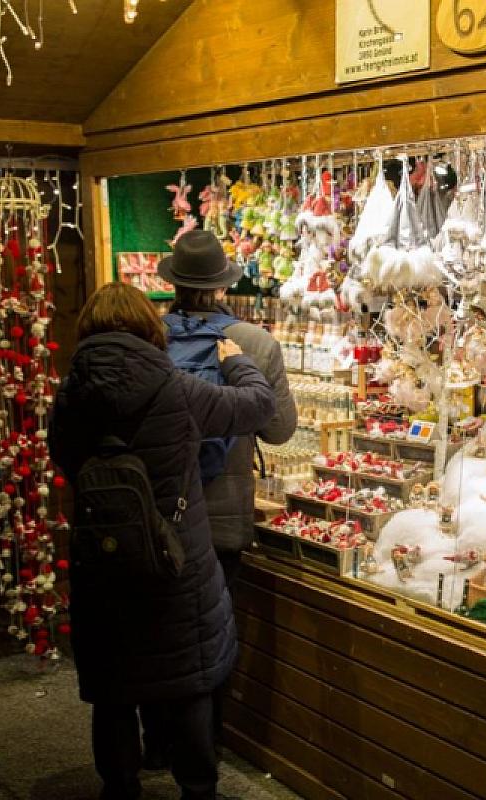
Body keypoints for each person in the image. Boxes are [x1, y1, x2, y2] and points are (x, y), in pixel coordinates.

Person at [50, 282, 274, 800]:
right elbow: (257, 407)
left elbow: (65, 461)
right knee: (188, 679)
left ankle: (121, 787)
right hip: (177, 558)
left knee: (112, 688)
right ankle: (197, 788)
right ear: (149, 330)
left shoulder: (68, 395)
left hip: (101, 560)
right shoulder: (175, 387)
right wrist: (236, 361)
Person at [151, 230, 298, 767]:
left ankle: (156, 743)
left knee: (156, 624)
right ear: (221, 284)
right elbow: (280, 430)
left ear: (172, 281)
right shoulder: (255, 343)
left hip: (158, 511)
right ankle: (206, 745)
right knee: (213, 630)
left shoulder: (146, 338)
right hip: (223, 514)